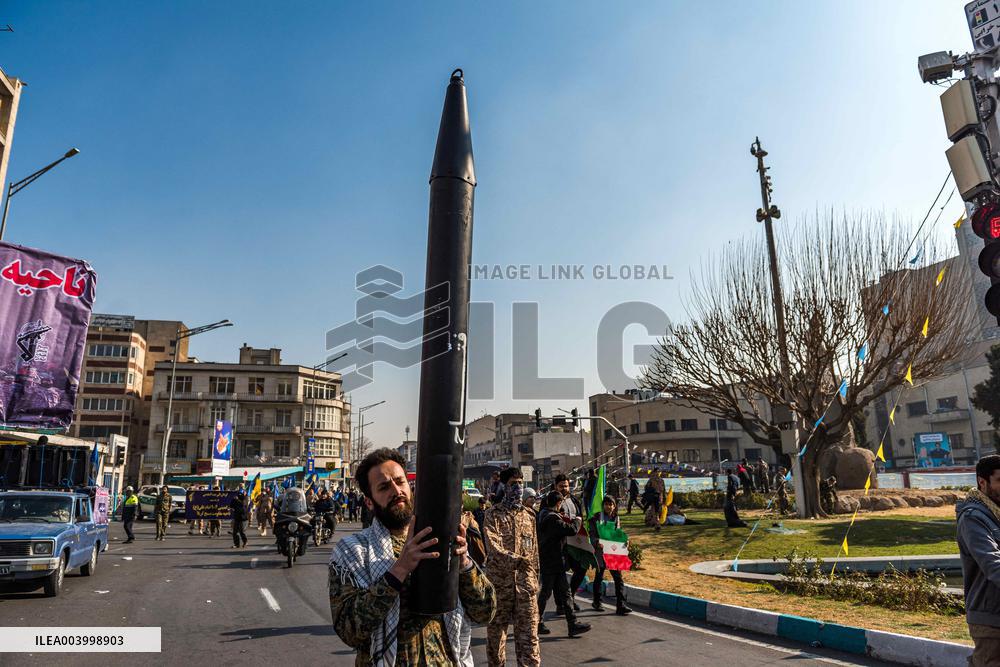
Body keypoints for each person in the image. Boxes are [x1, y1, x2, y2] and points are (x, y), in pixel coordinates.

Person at [329, 448, 496, 666]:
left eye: (400, 482)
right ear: (369, 502)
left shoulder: (438, 539)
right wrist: (398, 570)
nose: (396, 490)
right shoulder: (353, 551)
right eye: (384, 487)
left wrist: (464, 563)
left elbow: (486, 612)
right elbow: (349, 630)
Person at [482, 467, 540, 667]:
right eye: (513, 484)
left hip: (525, 588)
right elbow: (494, 548)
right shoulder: (493, 515)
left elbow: (534, 553)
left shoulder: (530, 516)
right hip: (500, 588)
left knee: (530, 641)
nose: (518, 487)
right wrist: (518, 561)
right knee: (496, 641)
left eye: (521, 483)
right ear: (504, 487)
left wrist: (535, 579)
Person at [957, 455, 1000, 664]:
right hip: (991, 621)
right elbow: (992, 563)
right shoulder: (973, 517)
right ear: (982, 482)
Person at [536, 490, 591, 638]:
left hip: (550, 560)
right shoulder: (553, 519)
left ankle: (571, 624)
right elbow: (572, 530)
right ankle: (537, 623)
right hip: (553, 561)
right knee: (547, 593)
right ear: (558, 503)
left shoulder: (543, 515)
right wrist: (578, 520)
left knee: (563, 593)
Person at [589, 496, 633, 615]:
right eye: (606, 504)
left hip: (613, 552)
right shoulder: (596, 518)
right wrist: (597, 542)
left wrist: (625, 540)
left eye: (611, 504)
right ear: (603, 505)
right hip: (600, 551)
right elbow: (591, 534)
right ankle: (597, 602)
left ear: (614, 506)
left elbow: (618, 533)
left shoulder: (616, 518)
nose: (609, 506)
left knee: (618, 578)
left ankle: (621, 605)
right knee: (599, 576)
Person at [554, 473, 586, 610]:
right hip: (558, 544)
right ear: (555, 486)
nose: (564, 488)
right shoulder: (550, 500)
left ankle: (570, 598)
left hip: (575, 541)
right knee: (558, 575)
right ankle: (560, 604)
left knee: (581, 569)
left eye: (566, 486)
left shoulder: (574, 500)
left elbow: (580, 517)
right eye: (561, 486)